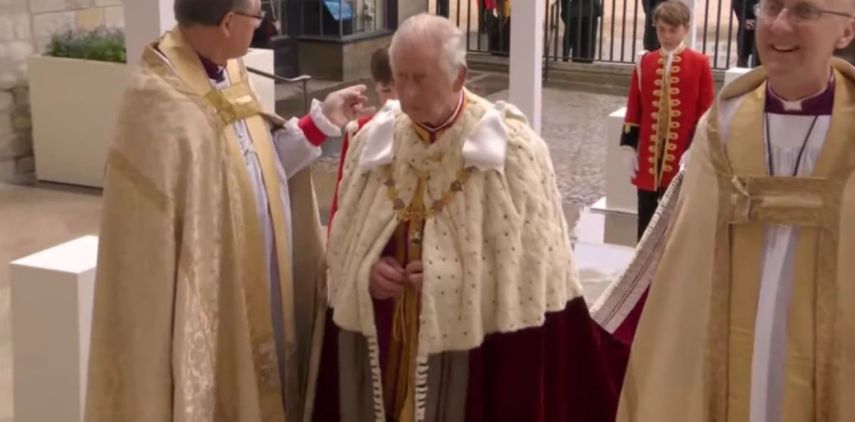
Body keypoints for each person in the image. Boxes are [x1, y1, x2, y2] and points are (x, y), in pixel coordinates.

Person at [315, 13, 627, 422]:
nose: (406, 96)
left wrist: (456, 280)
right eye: (399, 77)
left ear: (459, 76)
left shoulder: (513, 153)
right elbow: (343, 245)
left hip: (476, 367)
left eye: (420, 79)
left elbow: (533, 277)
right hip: (389, 355)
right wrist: (366, 272)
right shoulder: (374, 142)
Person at [84, 0, 375, 420]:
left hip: (263, 282)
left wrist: (319, 123)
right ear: (227, 23)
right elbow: (150, 250)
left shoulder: (227, 71)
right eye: (258, 15)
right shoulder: (158, 103)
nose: (265, 24)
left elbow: (256, 165)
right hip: (212, 300)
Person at [611, 0, 855, 418]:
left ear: (845, 32)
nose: (780, 26)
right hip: (721, 379)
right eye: (771, 7)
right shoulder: (719, 132)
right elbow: (681, 280)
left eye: (803, 11)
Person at [620, 0, 714, 239]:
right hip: (648, 158)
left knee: (676, 221)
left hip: (681, 157)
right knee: (646, 218)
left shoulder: (700, 63)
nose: (666, 35)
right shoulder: (645, 62)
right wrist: (629, 146)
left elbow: (707, 111)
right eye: (662, 29)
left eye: (672, 30)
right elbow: (635, 106)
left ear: (685, 29)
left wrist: (695, 148)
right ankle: (642, 272)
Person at [328, 46, 398, 234]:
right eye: (387, 90)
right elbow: (343, 197)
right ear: (376, 88)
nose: (395, 99)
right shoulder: (359, 131)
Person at [732, 0, 761, 67]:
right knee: (742, 56)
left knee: (758, 58)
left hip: (759, 31)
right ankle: (741, 75)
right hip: (745, 32)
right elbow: (738, 8)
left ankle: (757, 75)